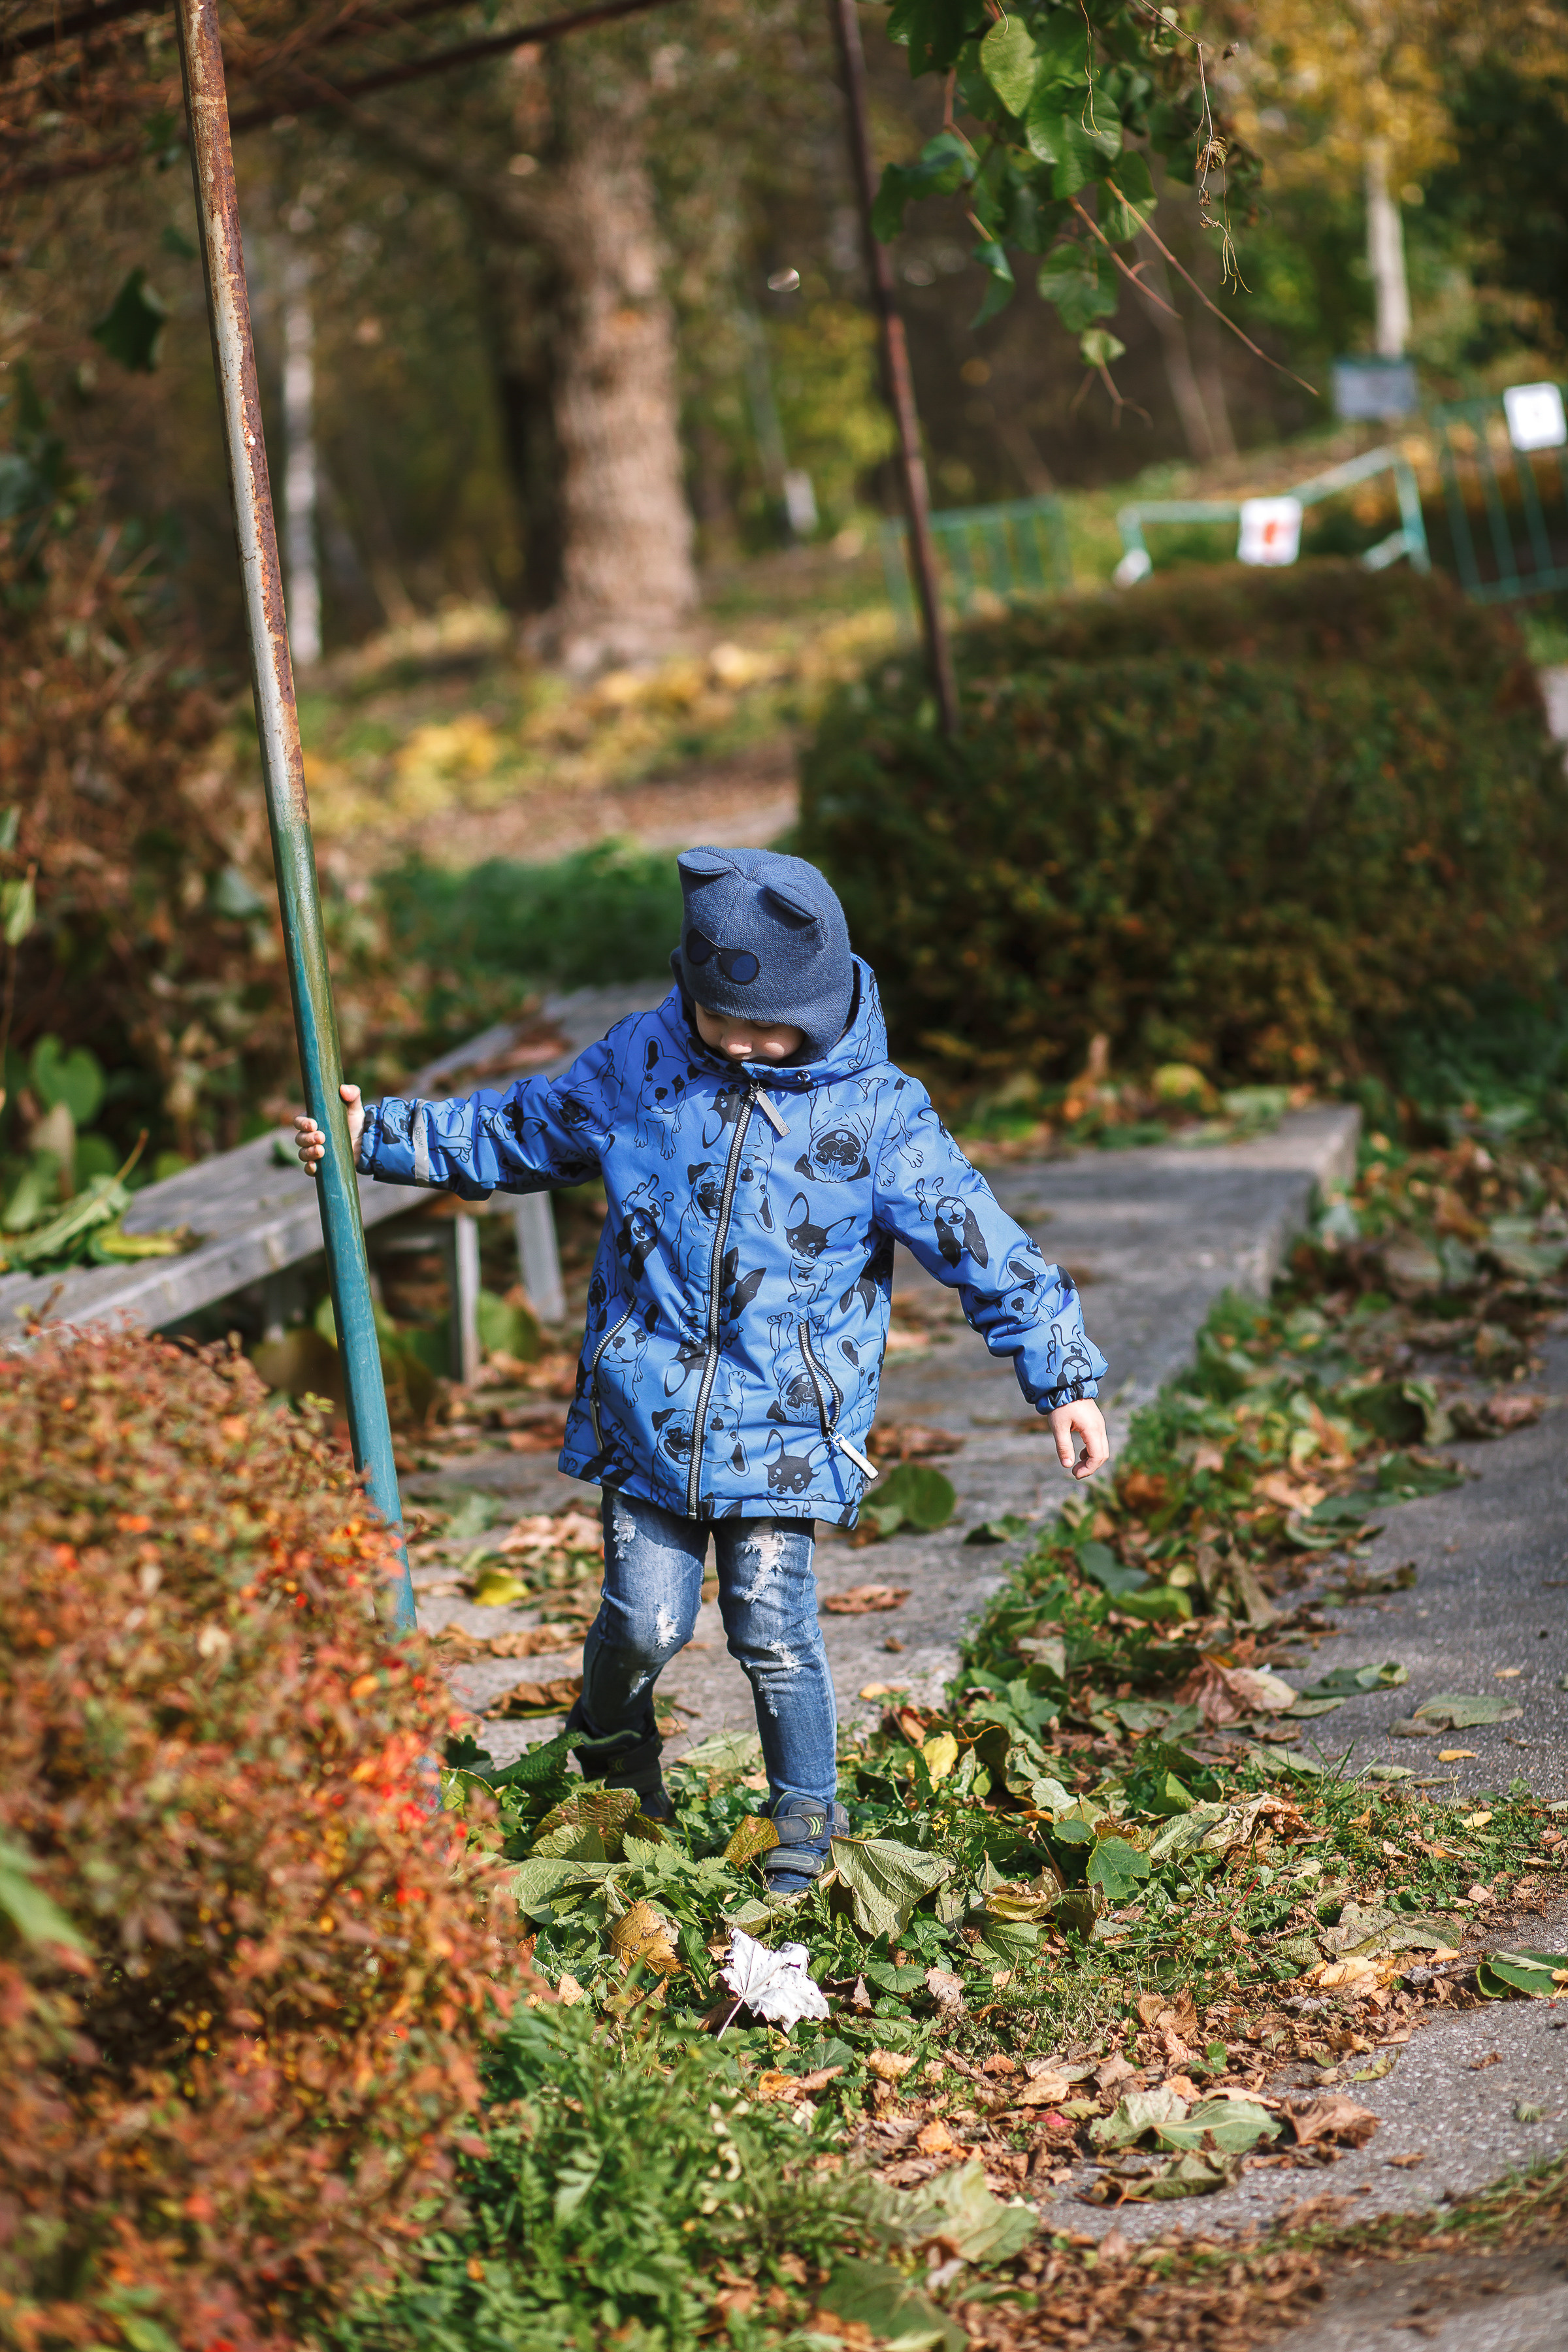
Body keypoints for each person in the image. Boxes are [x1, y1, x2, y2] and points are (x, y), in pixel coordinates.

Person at [296, 846, 1109, 1899]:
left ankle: (807, 1815)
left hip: (785, 1428)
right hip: (648, 1415)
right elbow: (520, 1128)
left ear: (821, 1004)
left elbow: (980, 1238)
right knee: (644, 1619)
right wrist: (380, 1135)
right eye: (719, 1020)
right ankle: (611, 1749)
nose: (740, 1044)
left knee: (772, 1626)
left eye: (766, 1026)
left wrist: (1064, 1379)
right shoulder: (646, 1063)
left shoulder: (877, 1115)